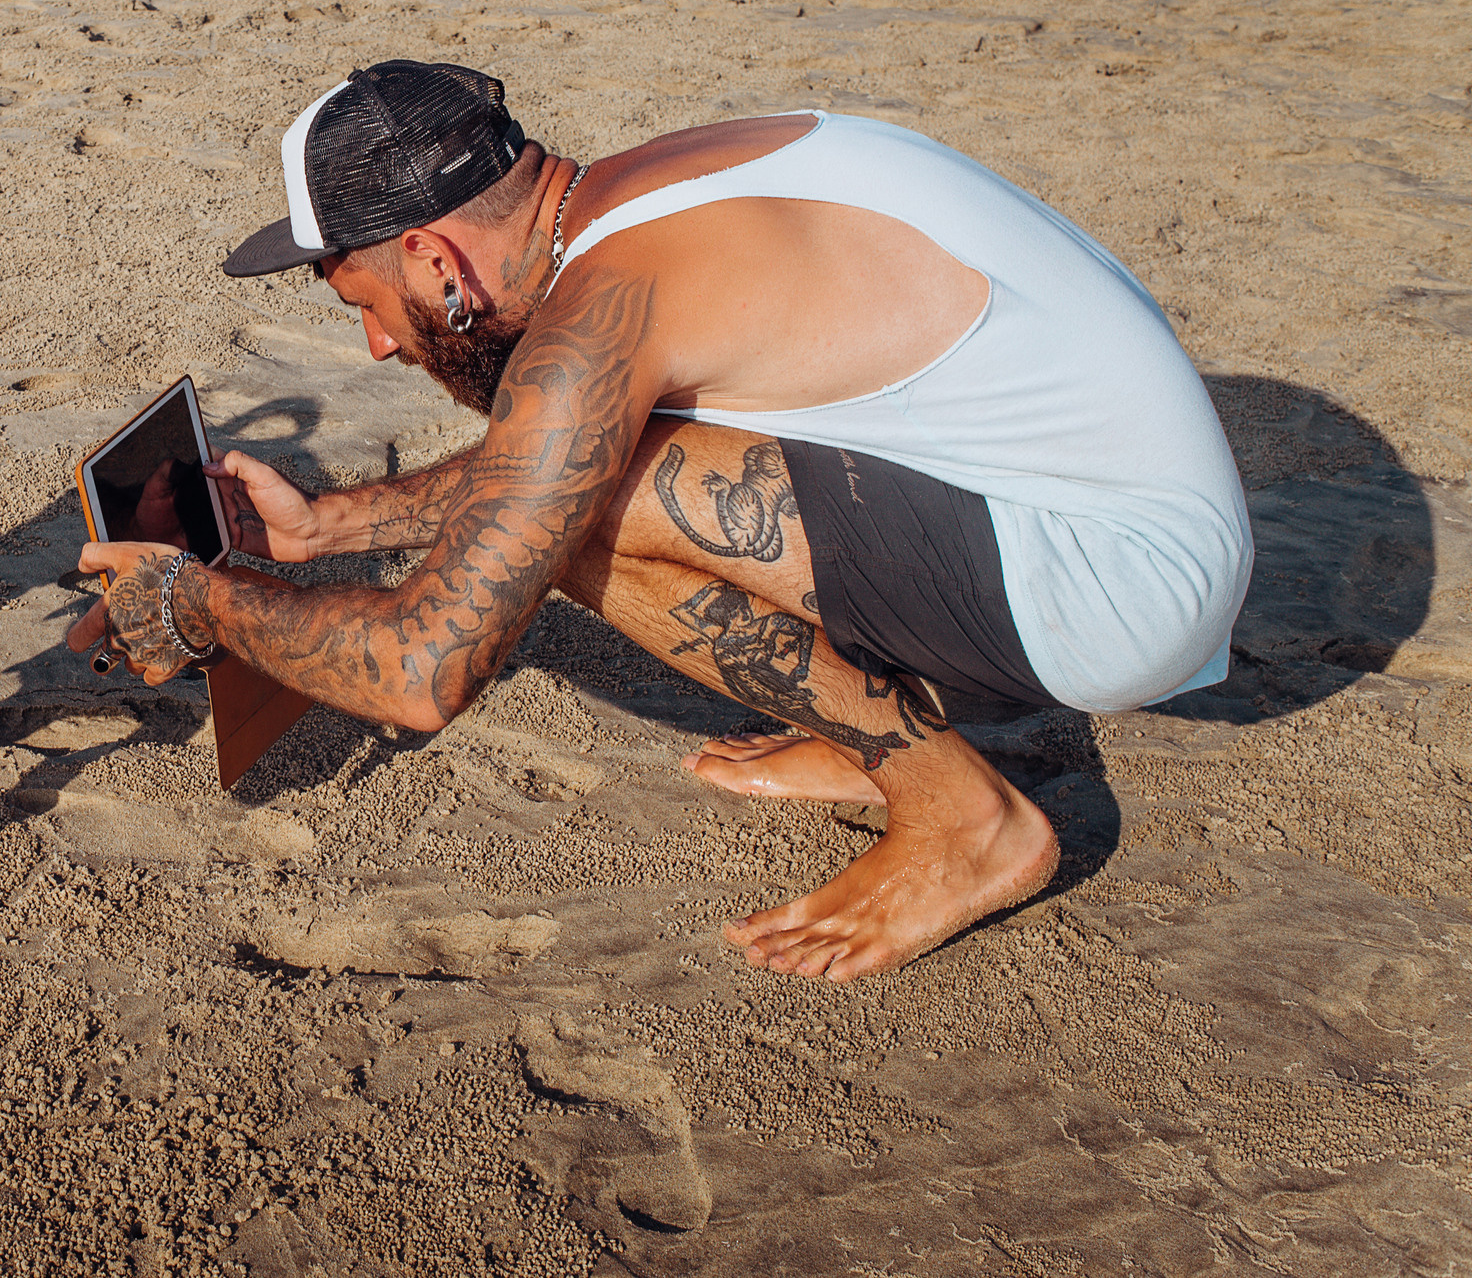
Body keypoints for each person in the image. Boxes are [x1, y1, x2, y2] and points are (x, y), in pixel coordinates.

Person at [69, 60, 1251, 980]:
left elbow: (423, 669)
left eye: (367, 302)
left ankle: (964, 819)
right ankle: (872, 723)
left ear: (432, 256)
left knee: (575, 516)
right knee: (584, 475)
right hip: (1105, 508)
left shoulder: (606, 304)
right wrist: (328, 527)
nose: (379, 343)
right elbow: (560, 450)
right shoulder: (642, 192)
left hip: (1116, 589)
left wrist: (197, 598)